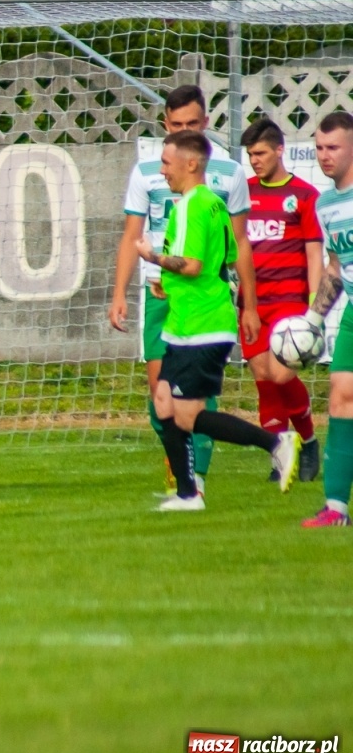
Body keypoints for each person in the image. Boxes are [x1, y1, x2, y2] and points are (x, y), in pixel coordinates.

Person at [136, 131, 300, 512]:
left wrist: (152, 257)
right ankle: (187, 493)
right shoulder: (213, 204)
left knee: (187, 414)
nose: (162, 171)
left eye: (166, 162)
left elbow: (191, 265)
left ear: (190, 163)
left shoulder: (192, 206)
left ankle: (274, 443)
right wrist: (169, 282)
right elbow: (218, 261)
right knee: (163, 402)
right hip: (189, 320)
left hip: (201, 326)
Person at [109, 84, 259, 497]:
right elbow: (131, 235)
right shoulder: (148, 172)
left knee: (193, 398)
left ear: (206, 123)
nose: (184, 130)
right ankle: (185, 474)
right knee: (161, 401)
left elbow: (240, 242)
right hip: (161, 297)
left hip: (202, 299)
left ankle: (195, 482)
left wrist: (249, 302)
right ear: (165, 125)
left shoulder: (228, 173)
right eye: (176, 125)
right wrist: (120, 292)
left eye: (192, 123)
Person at [240, 118, 322, 482]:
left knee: (280, 372)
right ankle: (281, 454)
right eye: (250, 155)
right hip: (252, 302)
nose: (254, 160)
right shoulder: (243, 194)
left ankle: (309, 440)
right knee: (262, 376)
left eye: (260, 153)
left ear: (279, 150)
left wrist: (314, 306)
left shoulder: (304, 195)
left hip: (290, 301)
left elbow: (314, 254)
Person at [302, 112, 353, 527]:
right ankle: (335, 508)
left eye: (333, 147)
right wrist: (313, 320)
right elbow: (335, 268)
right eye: (319, 148)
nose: (324, 156)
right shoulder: (325, 204)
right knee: (340, 396)